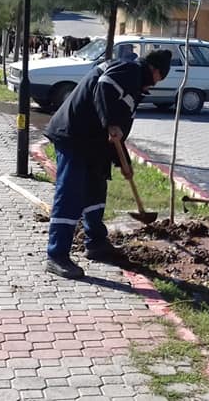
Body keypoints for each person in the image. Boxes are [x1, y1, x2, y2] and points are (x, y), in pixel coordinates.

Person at [43, 49, 173, 279]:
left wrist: (123, 159)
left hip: (92, 142)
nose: (155, 84)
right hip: (74, 135)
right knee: (70, 194)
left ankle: (96, 243)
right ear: (154, 70)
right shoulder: (130, 69)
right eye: (159, 78)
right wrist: (110, 122)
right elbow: (103, 87)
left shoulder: (135, 85)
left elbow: (119, 130)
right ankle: (56, 256)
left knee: (96, 189)